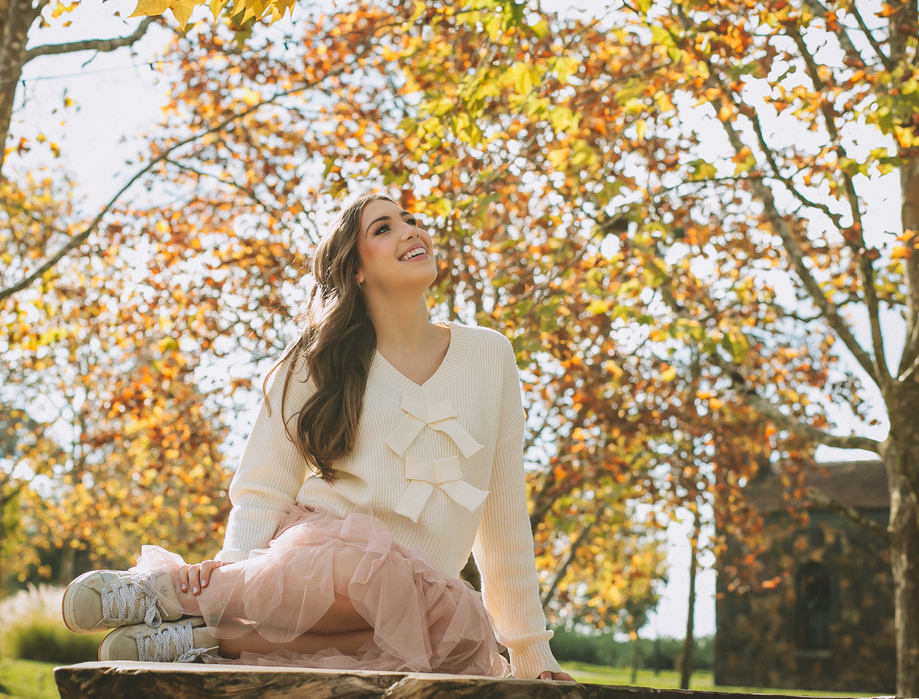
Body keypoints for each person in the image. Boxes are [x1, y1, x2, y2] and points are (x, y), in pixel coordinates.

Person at [62, 192, 574, 681]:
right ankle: (167, 594)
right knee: (366, 568)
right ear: (356, 267)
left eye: (411, 219)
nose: (412, 230)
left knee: (454, 633)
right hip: (328, 560)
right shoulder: (317, 361)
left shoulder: (490, 355)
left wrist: (531, 652)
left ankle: (207, 641)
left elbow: (504, 516)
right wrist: (228, 578)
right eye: (384, 226)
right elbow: (262, 489)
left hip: (418, 600)